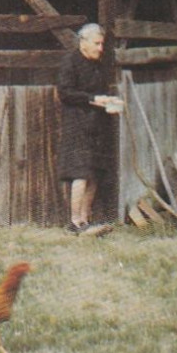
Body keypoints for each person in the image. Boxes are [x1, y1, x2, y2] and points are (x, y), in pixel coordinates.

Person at [55, 23, 121, 234]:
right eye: (97, 43)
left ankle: (85, 220)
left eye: (102, 44)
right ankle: (74, 222)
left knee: (94, 174)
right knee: (80, 174)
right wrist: (93, 99)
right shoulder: (70, 62)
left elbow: (100, 94)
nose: (101, 48)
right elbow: (65, 93)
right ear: (83, 42)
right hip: (77, 124)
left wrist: (109, 102)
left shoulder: (98, 65)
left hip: (98, 125)